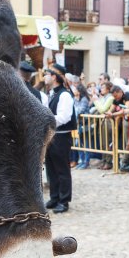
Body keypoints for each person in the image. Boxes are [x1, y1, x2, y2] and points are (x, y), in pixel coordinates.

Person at [41, 64, 75, 213]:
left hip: (61, 136)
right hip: (52, 136)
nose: (44, 77)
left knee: (62, 169)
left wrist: (47, 120)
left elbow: (64, 116)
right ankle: (55, 197)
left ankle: (64, 200)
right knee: (51, 169)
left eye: (47, 74)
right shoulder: (52, 93)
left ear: (54, 77)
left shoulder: (64, 94)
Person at [73, 84, 93, 169]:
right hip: (78, 124)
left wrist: (75, 111)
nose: (74, 91)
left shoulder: (84, 99)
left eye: (76, 89)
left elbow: (81, 110)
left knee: (86, 143)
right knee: (78, 143)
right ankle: (82, 160)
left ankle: (86, 162)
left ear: (79, 91)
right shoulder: (74, 99)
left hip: (85, 124)